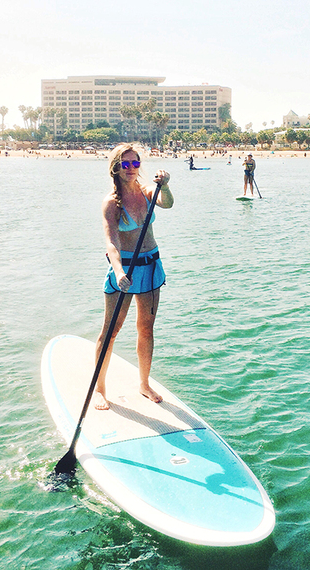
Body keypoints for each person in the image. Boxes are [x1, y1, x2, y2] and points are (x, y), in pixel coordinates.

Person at [94, 143, 174, 410]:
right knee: (111, 331)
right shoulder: (111, 203)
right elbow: (111, 243)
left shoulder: (148, 191)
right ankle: (100, 389)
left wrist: (166, 185)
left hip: (150, 266)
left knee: (146, 328)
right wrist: (118, 272)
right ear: (116, 167)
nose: (131, 168)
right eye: (125, 164)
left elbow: (167, 203)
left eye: (135, 163)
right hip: (125, 270)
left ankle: (144, 383)